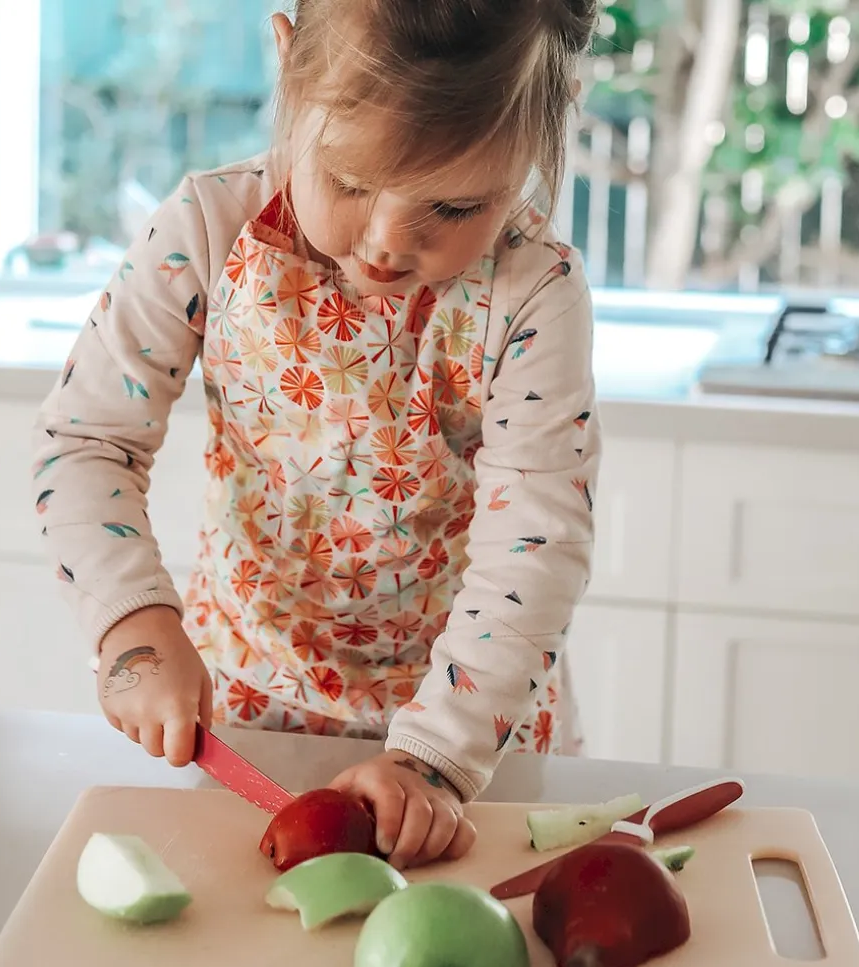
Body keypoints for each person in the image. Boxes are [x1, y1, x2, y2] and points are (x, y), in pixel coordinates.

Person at [32, 0, 601, 872]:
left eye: (453, 205)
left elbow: (537, 535)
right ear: (289, 62)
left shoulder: (532, 292)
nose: (385, 243)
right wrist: (134, 627)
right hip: (247, 716)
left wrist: (435, 758)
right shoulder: (205, 230)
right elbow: (87, 441)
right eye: (349, 179)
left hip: (468, 746)